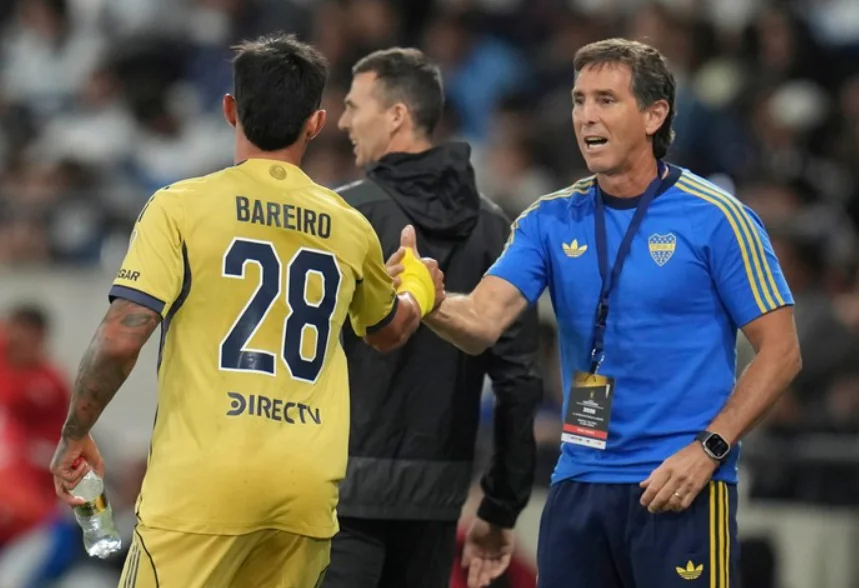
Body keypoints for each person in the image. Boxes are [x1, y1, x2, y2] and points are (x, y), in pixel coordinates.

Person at [395, 38, 802, 587]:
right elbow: (482, 322)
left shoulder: (718, 218)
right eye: (578, 100)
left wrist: (709, 450)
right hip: (580, 482)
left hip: (679, 485)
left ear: (655, 114)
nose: (587, 115)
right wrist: (431, 301)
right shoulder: (549, 219)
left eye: (606, 100)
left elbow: (782, 352)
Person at [48, 33, 443, 588]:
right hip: (304, 493)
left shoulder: (179, 207)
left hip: (203, 488)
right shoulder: (349, 226)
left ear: (230, 109)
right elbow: (389, 330)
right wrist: (421, 285)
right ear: (315, 122)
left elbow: (120, 337)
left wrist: (75, 433)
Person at [323, 47, 542, 588]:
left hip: (338, 494)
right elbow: (518, 380)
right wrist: (499, 506)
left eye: (354, 106)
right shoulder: (495, 229)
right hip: (437, 501)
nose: (345, 121)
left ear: (397, 115)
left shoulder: (342, 217)